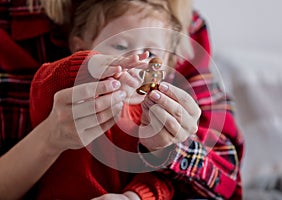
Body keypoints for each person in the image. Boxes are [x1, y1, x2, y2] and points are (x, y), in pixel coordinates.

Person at [0, 0, 244, 199]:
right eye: (119, 46)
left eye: (149, 54)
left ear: (169, 66)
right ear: (78, 45)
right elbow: (46, 81)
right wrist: (89, 65)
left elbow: (170, 181)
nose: (135, 60)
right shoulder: (68, 93)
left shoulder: (151, 116)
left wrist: (136, 193)